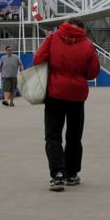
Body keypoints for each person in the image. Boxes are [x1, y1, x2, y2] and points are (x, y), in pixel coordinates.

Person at [33, 18, 100, 192]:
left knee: (53, 135)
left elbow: (38, 59)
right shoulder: (87, 45)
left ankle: (58, 175)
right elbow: (93, 72)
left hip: (55, 93)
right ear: (82, 28)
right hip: (77, 95)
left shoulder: (52, 38)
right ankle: (71, 174)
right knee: (74, 136)